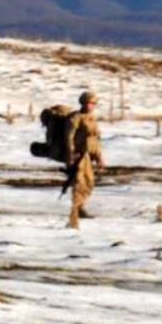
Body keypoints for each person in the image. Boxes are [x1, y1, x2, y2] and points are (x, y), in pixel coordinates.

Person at [65, 91, 104, 229]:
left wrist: (99, 157)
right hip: (78, 155)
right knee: (80, 182)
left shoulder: (91, 119)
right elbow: (69, 137)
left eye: (93, 103)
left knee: (89, 182)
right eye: (88, 103)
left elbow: (95, 139)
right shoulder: (76, 118)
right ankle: (75, 213)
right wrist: (70, 154)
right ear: (83, 103)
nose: (90, 106)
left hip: (88, 155)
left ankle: (80, 208)